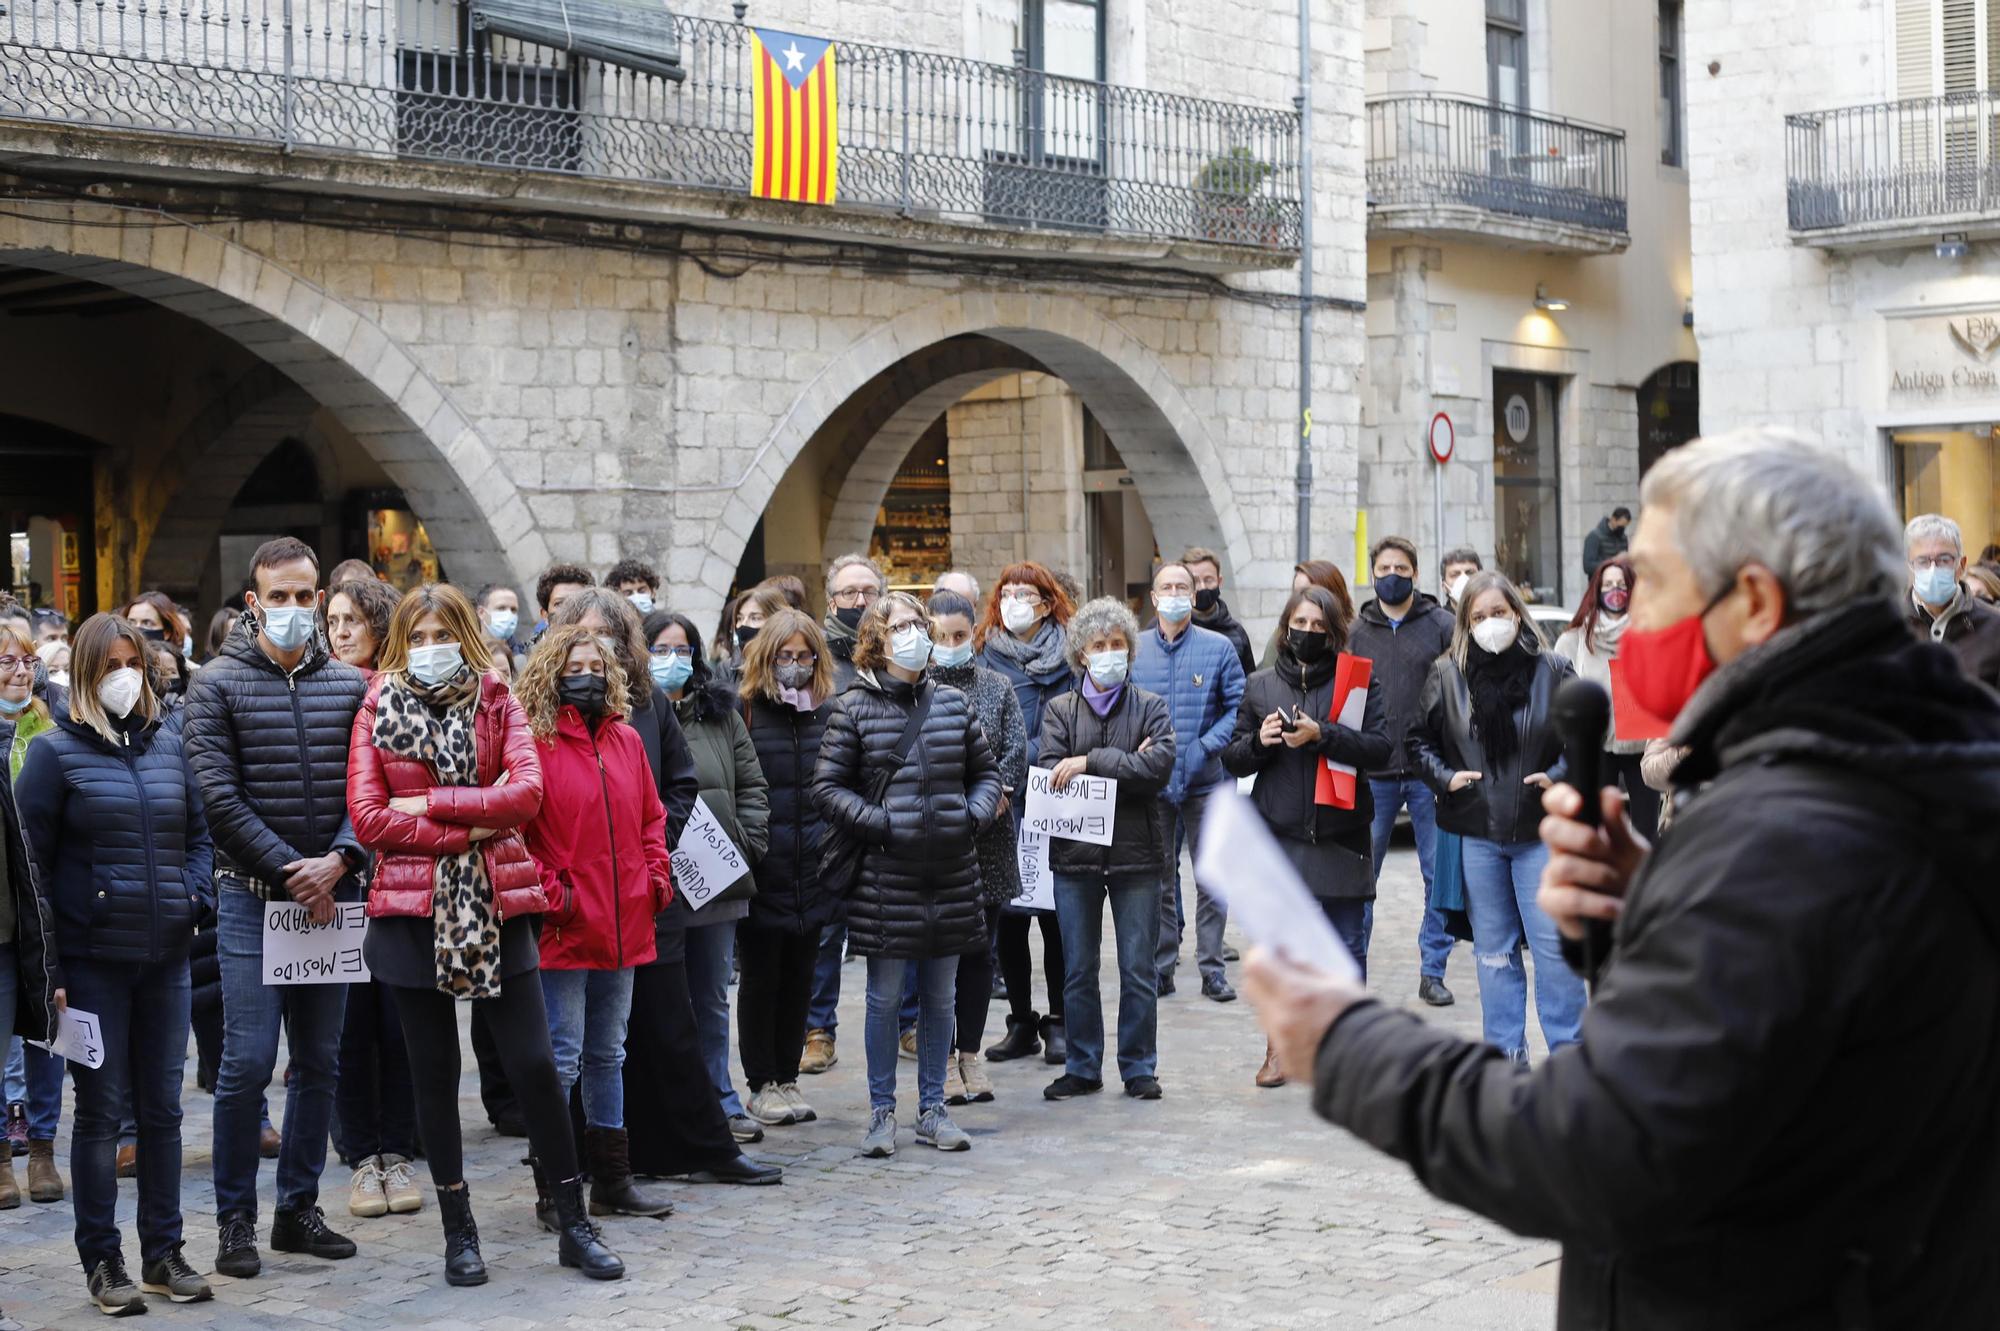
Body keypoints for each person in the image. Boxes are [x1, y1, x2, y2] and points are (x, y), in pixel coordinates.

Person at [1248, 429, 2000, 1329]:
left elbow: (1600, 1152)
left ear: (1753, 600)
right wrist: (1659, 903)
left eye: (1651, 581)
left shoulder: (1782, 834)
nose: (1627, 612)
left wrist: (1347, 1043)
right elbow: (1795, 1018)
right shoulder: (1925, 754)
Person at [346, 585, 622, 1285]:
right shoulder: (379, 702)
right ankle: (458, 1230)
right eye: (421, 635)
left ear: (464, 634)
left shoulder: (498, 697)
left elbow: (526, 796)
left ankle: (573, 1220)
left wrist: (435, 803)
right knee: (434, 1075)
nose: (433, 647)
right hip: (412, 911)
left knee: (533, 1064)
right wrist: (475, 823)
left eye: (445, 632)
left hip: (499, 902)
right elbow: (370, 816)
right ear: (403, 642)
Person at [18, 613, 215, 1313]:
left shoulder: (169, 746)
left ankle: (163, 1250)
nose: (125, 676)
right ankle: (103, 1260)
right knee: (100, 1115)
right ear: (84, 673)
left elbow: (199, 835)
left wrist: (193, 897)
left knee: (162, 1110)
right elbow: (30, 868)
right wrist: (51, 970)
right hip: (92, 961)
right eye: (110, 665)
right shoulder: (53, 754)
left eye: (134, 662)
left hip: (166, 956)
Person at [183, 538, 369, 1278]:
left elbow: (371, 787)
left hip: (333, 896)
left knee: (320, 1060)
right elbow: (219, 798)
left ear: (320, 598)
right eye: (279, 597)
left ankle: (298, 1209)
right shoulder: (217, 684)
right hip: (251, 899)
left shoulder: (351, 685)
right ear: (254, 601)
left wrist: (343, 858)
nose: (294, 609)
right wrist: (294, 871)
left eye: (305, 596)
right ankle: (236, 1221)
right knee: (248, 1061)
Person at [550, 592, 775, 1188]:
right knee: (580, 1042)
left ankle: (701, 1145)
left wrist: (652, 844)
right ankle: (576, 1164)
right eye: (583, 636)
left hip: (647, 891)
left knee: (669, 1027)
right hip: (576, 900)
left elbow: (677, 785)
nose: (594, 649)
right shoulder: (541, 714)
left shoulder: (647, 707)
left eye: (606, 636)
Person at [811, 592, 1002, 1157]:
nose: (915, 633)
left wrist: (968, 816)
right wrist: (881, 823)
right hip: (884, 876)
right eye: (902, 625)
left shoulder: (951, 704)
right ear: (878, 638)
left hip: (950, 871)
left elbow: (985, 773)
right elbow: (828, 788)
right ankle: (881, 1112)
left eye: (920, 624)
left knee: (941, 1000)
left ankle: (934, 1109)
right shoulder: (853, 708)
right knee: (884, 999)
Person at [513, 621, 676, 1226]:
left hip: (625, 919)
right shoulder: (535, 741)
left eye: (596, 667)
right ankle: (557, 1185)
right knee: (562, 1057)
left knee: (609, 1051)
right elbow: (518, 835)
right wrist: (557, 896)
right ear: (553, 674)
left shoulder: (626, 740)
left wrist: (654, 880)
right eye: (574, 668)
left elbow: (652, 818)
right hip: (566, 925)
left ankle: (611, 1179)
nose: (587, 677)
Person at [1407, 570, 1583, 1065]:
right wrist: (1446, 778)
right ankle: (1507, 1057)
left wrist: (1560, 774)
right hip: (1477, 833)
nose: (1490, 624)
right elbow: (1417, 742)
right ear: (1466, 623)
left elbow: (1584, 736)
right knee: (1494, 955)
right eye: (1479, 616)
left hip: (1539, 832)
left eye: (1498, 613)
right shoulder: (1448, 674)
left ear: (1517, 614)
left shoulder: (1554, 669)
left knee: (1554, 953)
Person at [1224, 585, 1390, 1087]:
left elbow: (1380, 749)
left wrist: (1324, 735)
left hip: (1342, 831)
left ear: (1335, 633)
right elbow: (1232, 757)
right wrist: (1261, 742)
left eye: (1320, 627)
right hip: (1279, 833)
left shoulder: (1357, 682)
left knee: (1345, 946)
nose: (1309, 633)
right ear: (1285, 627)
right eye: (1301, 623)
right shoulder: (1259, 687)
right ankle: (1280, 1048)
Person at [1033, 598, 1175, 1103]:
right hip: (1075, 858)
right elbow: (1051, 773)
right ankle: (1082, 1064)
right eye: (1099, 645)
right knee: (1078, 968)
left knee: (1139, 967)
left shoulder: (1151, 706)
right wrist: (1120, 764)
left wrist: (1090, 760)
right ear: (1081, 655)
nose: (1110, 653)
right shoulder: (1059, 711)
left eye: (1117, 644)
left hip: (1137, 855)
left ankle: (1139, 1066)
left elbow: (1156, 769)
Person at [317, 576, 425, 1219]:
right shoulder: (323, 694)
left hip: (403, 873)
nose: (342, 631)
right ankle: (361, 1153)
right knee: (348, 1025)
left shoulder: (404, 693)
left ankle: (400, 1147)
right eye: (333, 621)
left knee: (403, 1020)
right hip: (342, 877)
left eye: (354, 619)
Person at [643, 610, 771, 1134]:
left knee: (711, 994)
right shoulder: (633, 715)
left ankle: (721, 1097)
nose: (673, 661)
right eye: (661, 651)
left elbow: (752, 784)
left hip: (717, 878)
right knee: (662, 999)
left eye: (682, 650)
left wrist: (748, 842)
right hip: (656, 878)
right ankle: (673, 1102)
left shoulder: (721, 713)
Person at [735, 610, 838, 1128]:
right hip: (763, 869)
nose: (794, 666)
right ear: (766, 657)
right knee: (761, 977)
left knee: (801, 976)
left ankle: (787, 1073)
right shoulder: (746, 710)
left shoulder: (829, 713)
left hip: (813, 867)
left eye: (804, 656)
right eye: (785, 657)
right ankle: (760, 1082)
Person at [923, 590, 1026, 1106]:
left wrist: (989, 799)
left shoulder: (996, 687)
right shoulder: (917, 690)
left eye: (959, 636)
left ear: (974, 636)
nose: (950, 645)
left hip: (989, 840)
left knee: (981, 953)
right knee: (939, 954)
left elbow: (1013, 752)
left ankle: (970, 1053)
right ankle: (939, 1058)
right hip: (936, 841)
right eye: (941, 637)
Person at [1348, 536, 1458, 1008]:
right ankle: (1354, 975)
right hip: (1372, 771)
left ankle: (1433, 969)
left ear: (1415, 573)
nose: (1392, 574)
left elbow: (1458, 692)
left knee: (1439, 876)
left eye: (1402, 566)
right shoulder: (1356, 632)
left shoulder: (1441, 626)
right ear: (1372, 573)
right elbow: (1347, 704)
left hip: (1427, 769)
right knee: (1360, 878)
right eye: (1384, 566)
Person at [974, 562, 1076, 1066]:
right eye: (1007, 592)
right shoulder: (983, 655)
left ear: (1047, 600)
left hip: (1055, 796)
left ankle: (1059, 1020)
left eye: (1027, 593)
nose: (1016, 601)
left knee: (1054, 917)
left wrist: (1033, 754)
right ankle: (1021, 1021)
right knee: (1009, 917)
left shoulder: (1071, 656)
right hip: (1003, 800)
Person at [1134, 561, 1246, 1003]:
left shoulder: (1218, 648)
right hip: (1153, 783)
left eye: (1185, 585)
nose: (1178, 592)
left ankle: (1212, 968)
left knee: (1212, 879)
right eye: (1169, 586)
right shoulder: (1136, 650)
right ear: (1155, 596)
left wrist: (1205, 746)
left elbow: (1238, 708)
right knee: (1160, 878)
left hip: (1207, 781)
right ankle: (1162, 964)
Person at [799, 552, 887, 1076]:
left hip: (886, 809)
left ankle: (905, 1022)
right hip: (831, 813)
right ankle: (817, 1029)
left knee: (890, 924)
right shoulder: (815, 659)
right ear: (831, 600)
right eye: (849, 593)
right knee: (828, 930)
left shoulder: (896, 649)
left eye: (868, 592)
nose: (859, 602)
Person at [0, 635, 57, 1327]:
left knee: (47, 1035)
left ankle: (42, 1147)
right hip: (2, 912)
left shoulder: (52, 727)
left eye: (24, 660)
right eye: (4, 661)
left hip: (47, 912)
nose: (18, 669)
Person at [1554, 556, 1661, 839]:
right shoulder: (1575, 639)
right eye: (1608, 584)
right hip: (1596, 746)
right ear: (1596, 590)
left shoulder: (1650, 633)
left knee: (1646, 830)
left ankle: (1642, 882)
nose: (1615, 591)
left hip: (1643, 746)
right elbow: (1560, 690)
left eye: (1622, 585)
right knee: (1595, 826)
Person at [1903, 513, 2000, 689]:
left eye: (1944, 560)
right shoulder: (1887, 625)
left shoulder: (1995, 627)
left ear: (1961, 565)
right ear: (1909, 567)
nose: (1933, 570)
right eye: (1922, 561)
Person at [1182, 547, 1256, 679]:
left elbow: (1250, 685)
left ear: (1219, 581)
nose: (1202, 587)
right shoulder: (1173, 629)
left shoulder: (1236, 633)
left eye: (1208, 580)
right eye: (1195, 581)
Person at [534, 564, 594, 635]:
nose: (568, 610)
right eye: (559, 604)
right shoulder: (533, 645)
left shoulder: (603, 644)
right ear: (545, 615)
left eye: (579, 602)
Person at [474, 584, 527, 663]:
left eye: (513, 610)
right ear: (481, 613)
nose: (509, 614)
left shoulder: (523, 656)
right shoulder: (467, 654)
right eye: (501, 608)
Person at [1582, 506, 1632, 582]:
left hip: (1619, 584)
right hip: (1599, 585)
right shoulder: (1594, 537)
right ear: (1613, 519)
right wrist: (1613, 561)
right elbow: (1588, 566)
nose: (1622, 529)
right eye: (1620, 526)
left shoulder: (1623, 538)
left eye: (1625, 527)